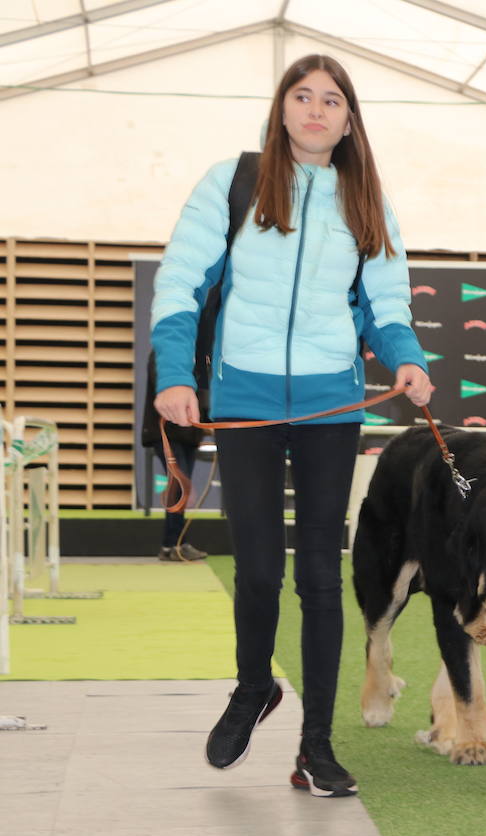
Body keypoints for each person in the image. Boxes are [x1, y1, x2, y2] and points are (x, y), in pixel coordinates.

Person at [152, 55, 434, 796]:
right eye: (302, 96)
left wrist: (406, 358)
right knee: (258, 569)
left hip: (327, 406)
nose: (316, 110)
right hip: (242, 398)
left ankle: (316, 744)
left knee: (317, 573)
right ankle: (253, 688)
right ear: (281, 109)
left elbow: (386, 298)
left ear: (349, 118)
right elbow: (182, 279)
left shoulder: (365, 196)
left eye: (332, 100)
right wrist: (177, 374)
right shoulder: (233, 182)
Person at [140, 352, 208, 561]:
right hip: (166, 432)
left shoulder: (201, 354)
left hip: (189, 434)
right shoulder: (164, 353)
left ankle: (171, 545)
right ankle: (176, 544)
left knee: (179, 488)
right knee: (180, 485)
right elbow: (166, 386)